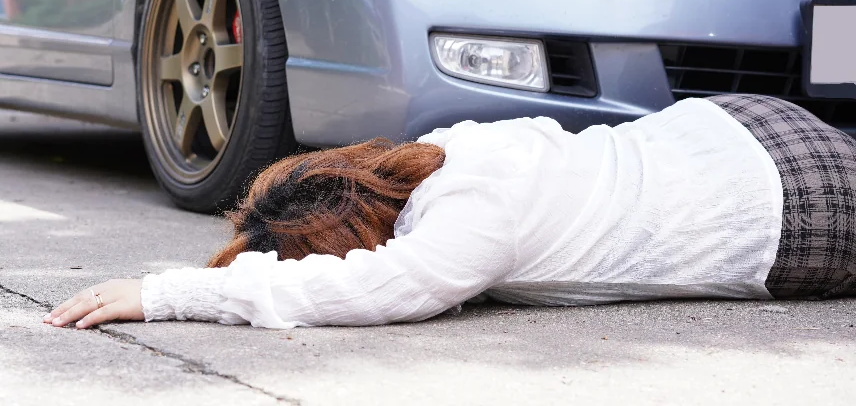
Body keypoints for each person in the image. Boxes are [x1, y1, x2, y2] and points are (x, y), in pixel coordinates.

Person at [44, 94, 856, 330]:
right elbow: (325, 253)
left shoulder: (471, 223)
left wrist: (170, 294)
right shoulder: (447, 147)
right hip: (729, 122)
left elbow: (368, 291)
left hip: (792, 208)